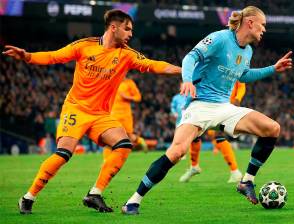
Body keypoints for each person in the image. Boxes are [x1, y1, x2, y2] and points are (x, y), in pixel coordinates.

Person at [2, 9, 181, 214]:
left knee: (123, 145)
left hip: (101, 115)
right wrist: (27, 56)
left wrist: (182, 70)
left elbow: (153, 65)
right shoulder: (84, 46)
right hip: (76, 109)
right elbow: (54, 56)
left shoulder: (127, 54)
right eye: (127, 29)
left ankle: (95, 193)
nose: (131, 34)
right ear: (113, 28)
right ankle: (28, 197)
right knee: (63, 154)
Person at [122, 6, 292, 215]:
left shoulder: (247, 50)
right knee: (176, 152)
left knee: (272, 128)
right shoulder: (220, 38)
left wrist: (273, 68)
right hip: (200, 105)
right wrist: (187, 80)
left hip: (224, 107)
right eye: (262, 24)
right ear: (250, 23)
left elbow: (244, 75)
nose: (264, 29)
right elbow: (189, 58)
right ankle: (133, 201)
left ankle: (246, 181)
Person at [179, 81, 246, 183]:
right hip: (210, 103)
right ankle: (194, 166)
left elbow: (241, 86)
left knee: (218, 136)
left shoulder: (236, 66)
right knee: (195, 135)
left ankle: (235, 171)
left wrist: (237, 98)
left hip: (225, 105)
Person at [103, 76, 148, 160]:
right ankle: (106, 160)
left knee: (129, 136)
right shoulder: (111, 82)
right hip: (113, 114)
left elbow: (138, 97)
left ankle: (139, 140)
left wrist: (127, 97)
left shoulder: (129, 83)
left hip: (125, 115)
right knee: (108, 135)